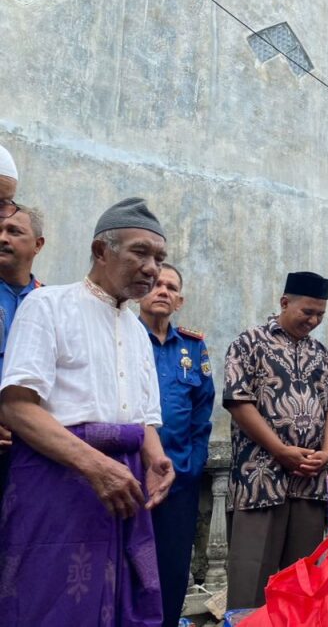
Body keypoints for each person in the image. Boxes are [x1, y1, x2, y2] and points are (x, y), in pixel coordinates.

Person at [0, 197, 174, 626]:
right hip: (57, 484)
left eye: (159, 257)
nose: (152, 268)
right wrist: (95, 466)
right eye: (140, 252)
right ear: (100, 251)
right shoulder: (47, 306)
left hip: (123, 486)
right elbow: (17, 408)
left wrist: (155, 460)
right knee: (50, 604)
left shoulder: (137, 331)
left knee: (119, 607)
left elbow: (143, 419)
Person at [224, 271, 328, 609]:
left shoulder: (321, 353)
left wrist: (327, 451)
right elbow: (238, 401)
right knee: (251, 582)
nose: (314, 320)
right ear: (284, 302)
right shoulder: (248, 343)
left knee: (301, 583)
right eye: (307, 311)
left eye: (320, 314)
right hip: (258, 481)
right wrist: (280, 451)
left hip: (309, 483)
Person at [139, 263, 215, 627]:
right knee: (125, 571)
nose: (162, 290)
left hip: (179, 482)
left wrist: (191, 467)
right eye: (155, 284)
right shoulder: (124, 336)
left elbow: (202, 416)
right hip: (129, 477)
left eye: (171, 287)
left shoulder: (193, 347)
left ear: (179, 300)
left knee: (171, 572)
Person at [0, 205, 45, 497]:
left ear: (38, 245)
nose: (3, 238)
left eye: (14, 232)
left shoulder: (50, 304)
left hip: (31, 448)